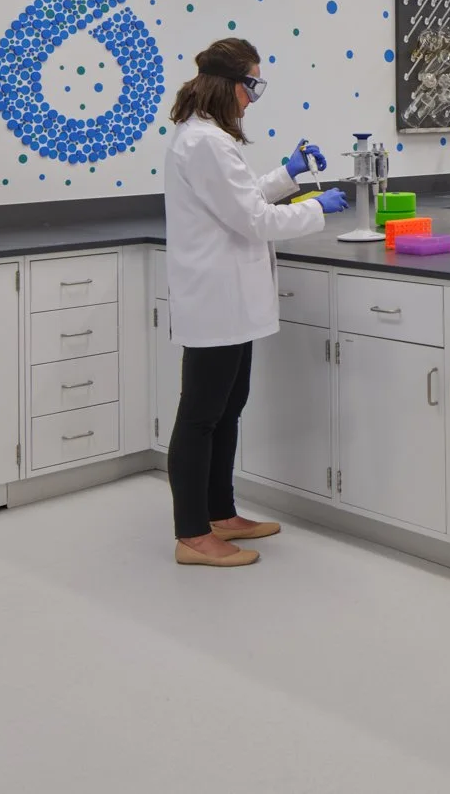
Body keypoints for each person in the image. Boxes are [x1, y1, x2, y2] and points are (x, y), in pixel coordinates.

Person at [164, 37, 349, 567]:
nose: (253, 97)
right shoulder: (206, 142)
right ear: (228, 84)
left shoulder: (208, 137)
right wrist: (316, 208)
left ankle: (220, 514)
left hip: (230, 300)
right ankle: (192, 535)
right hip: (215, 299)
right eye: (252, 85)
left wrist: (288, 175)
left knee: (228, 409)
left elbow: (239, 200)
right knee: (201, 416)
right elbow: (254, 220)